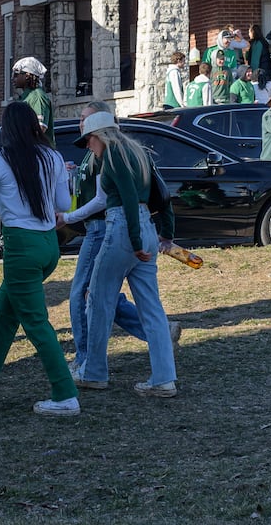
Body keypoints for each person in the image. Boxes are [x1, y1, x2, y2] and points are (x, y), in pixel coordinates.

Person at [0, 101, 78, 416]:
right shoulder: (52, 156)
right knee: (2, 316)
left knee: (37, 323)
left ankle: (65, 394)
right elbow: (63, 203)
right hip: (48, 246)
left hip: (21, 247)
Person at [74, 111, 178, 397]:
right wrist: (166, 233)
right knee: (152, 308)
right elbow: (162, 195)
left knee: (97, 299)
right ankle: (164, 378)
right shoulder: (138, 152)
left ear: (100, 136)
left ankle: (93, 371)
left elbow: (128, 198)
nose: (88, 147)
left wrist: (133, 240)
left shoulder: (114, 154)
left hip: (123, 228)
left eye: (89, 141)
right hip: (147, 226)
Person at [59, 100, 155, 381]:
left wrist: (68, 217)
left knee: (89, 296)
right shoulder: (104, 153)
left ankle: (88, 364)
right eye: (80, 120)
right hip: (116, 228)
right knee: (102, 295)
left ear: (101, 129)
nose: (84, 134)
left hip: (109, 228)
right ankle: (155, 335)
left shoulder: (112, 155)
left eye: (87, 127)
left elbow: (122, 200)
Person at [12, 56, 54, 146]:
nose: (13, 78)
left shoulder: (38, 96)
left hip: (40, 152)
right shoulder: (24, 97)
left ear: (27, 76)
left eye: (16, 74)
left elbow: (40, 128)